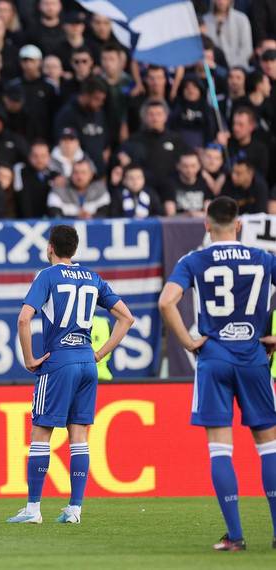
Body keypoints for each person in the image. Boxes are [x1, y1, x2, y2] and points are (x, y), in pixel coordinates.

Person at [158, 196, 276, 552]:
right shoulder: (264, 258)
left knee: (220, 450)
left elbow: (167, 301)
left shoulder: (194, 259)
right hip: (254, 356)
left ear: (207, 225)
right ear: (239, 225)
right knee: (268, 446)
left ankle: (236, 537)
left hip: (214, 358)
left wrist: (189, 342)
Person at [8, 224, 134, 525]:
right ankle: (74, 509)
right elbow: (126, 317)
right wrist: (100, 354)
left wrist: (29, 358)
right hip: (87, 363)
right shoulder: (92, 277)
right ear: (74, 249)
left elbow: (24, 319)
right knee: (78, 435)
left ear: (50, 246)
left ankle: (33, 509)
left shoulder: (47, 276)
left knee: (41, 433)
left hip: (59, 362)